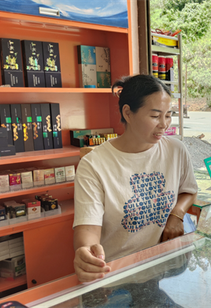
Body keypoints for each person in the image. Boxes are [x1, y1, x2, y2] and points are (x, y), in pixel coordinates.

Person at [73, 74, 198, 282]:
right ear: (128, 113)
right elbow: (88, 227)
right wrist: (86, 252)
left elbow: (189, 190)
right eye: (155, 116)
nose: (164, 124)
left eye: (168, 115)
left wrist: (176, 214)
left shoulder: (176, 150)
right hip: (116, 275)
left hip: (160, 267)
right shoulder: (93, 165)